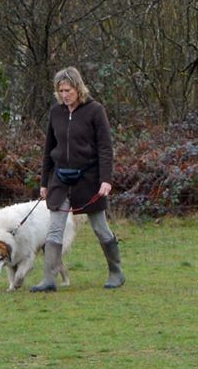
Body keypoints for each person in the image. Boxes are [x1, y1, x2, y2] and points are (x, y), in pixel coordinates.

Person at [30, 66, 126, 292]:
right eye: (61, 90)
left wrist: (106, 179)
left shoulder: (95, 111)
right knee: (54, 229)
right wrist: (44, 183)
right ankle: (49, 279)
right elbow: (48, 150)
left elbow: (105, 148)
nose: (64, 95)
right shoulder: (55, 113)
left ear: (78, 88)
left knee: (100, 228)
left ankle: (116, 272)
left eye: (68, 90)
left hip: (90, 179)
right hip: (59, 179)